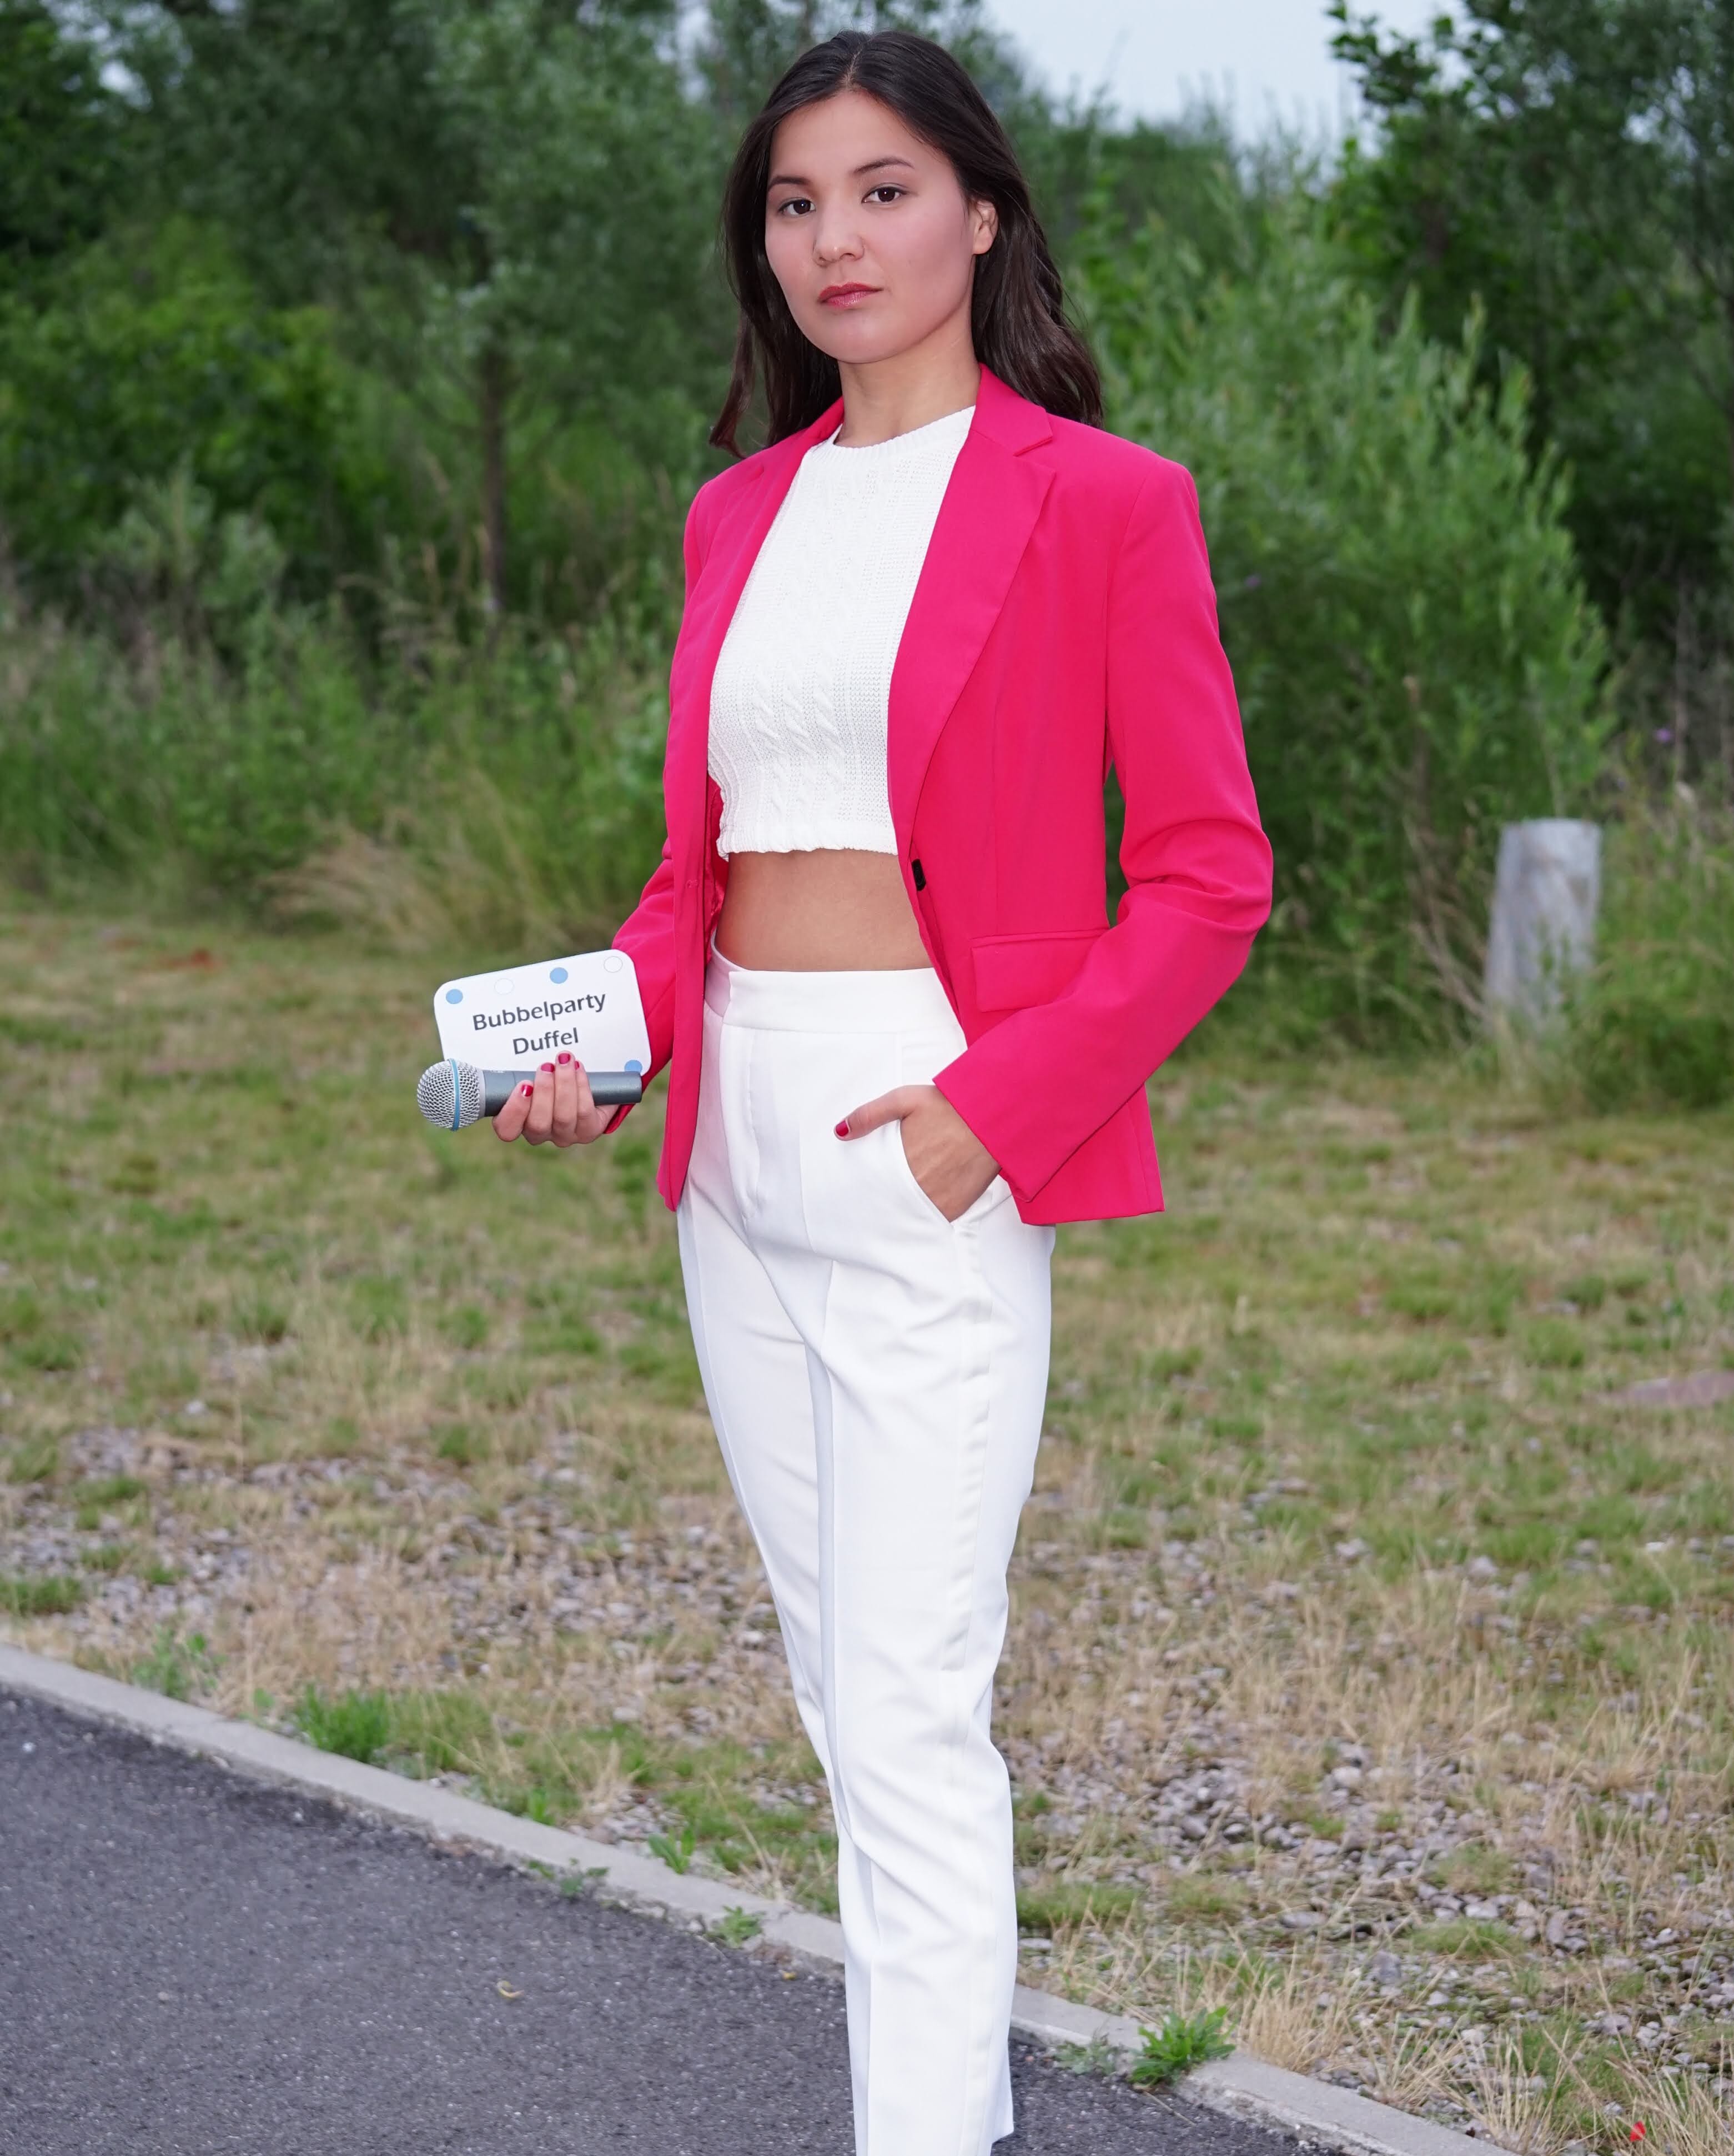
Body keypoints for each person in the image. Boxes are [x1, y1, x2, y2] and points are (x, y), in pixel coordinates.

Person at [494, 28, 1271, 2156]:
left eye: (882, 189)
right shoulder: (736, 511)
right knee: (845, 1697)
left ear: (981, 213)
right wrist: (615, 1039)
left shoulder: (1102, 500)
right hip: (735, 1148)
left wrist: (989, 1113)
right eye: (793, 202)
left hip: (939, 1132)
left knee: (914, 1705)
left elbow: (1209, 873)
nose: (833, 238)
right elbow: (698, 871)